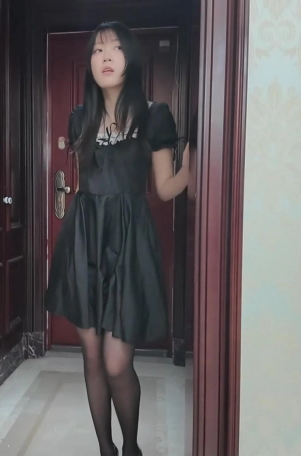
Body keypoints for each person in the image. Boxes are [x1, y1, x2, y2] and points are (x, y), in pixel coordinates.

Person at [45, 21, 190, 456]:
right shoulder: (80, 117)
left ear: (131, 58)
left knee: (115, 361)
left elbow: (164, 187)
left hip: (129, 241)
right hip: (85, 238)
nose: (105, 57)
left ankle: (131, 448)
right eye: (97, 50)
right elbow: (85, 182)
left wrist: (194, 168)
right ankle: (107, 449)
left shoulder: (154, 114)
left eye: (115, 48)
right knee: (91, 357)